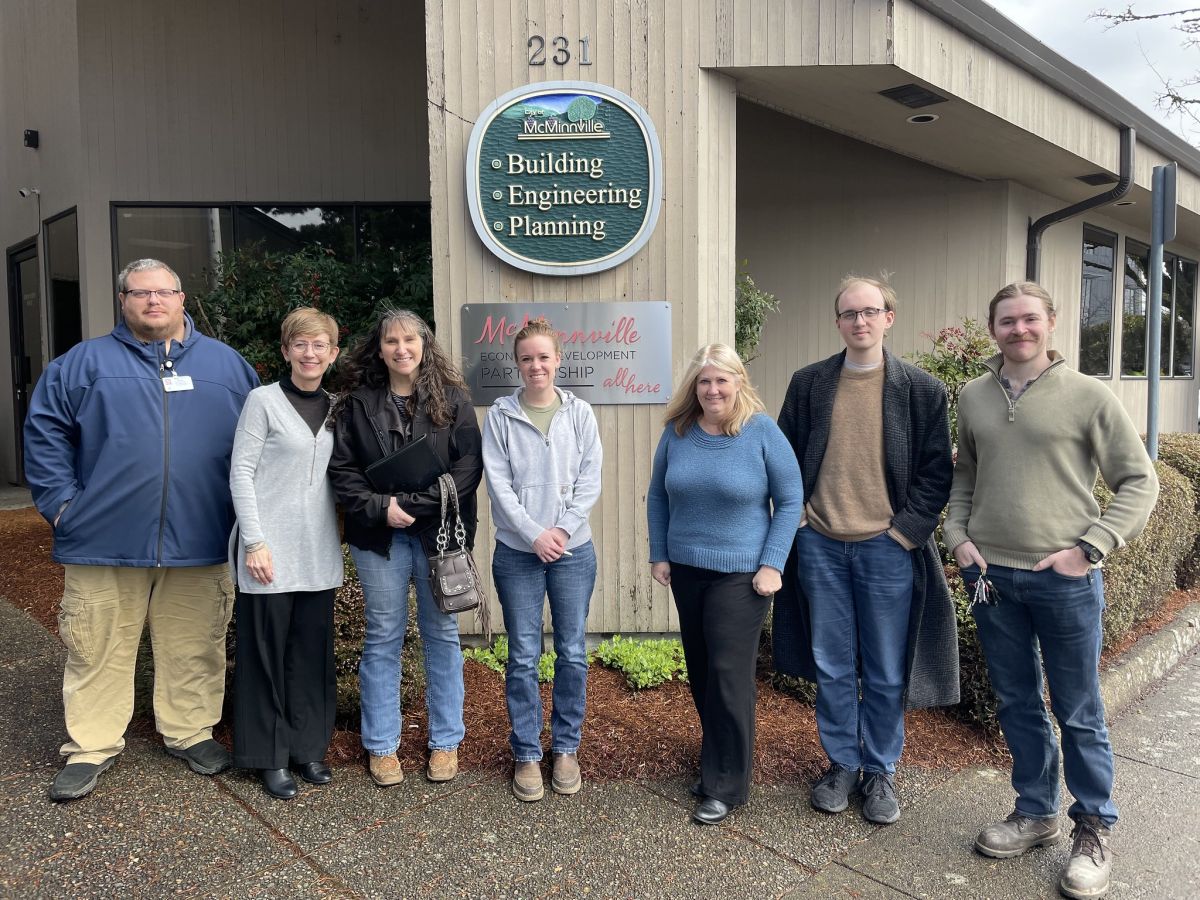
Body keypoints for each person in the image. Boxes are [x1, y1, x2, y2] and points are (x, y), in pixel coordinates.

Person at [944, 281, 1158, 900]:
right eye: (1007, 321)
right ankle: (1035, 812)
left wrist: (1090, 548)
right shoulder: (974, 396)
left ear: (1051, 324)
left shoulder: (1088, 396)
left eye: (1029, 319)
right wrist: (958, 538)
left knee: (1079, 709)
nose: (1019, 330)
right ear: (993, 330)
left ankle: (1092, 828)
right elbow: (966, 477)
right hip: (990, 578)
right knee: (1016, 702)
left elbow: (1138, 481)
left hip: (1063, 580)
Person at [23, 258, 258, 802]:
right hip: (103, 540)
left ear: (182, 298)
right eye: (140, 293)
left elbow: (259, 443)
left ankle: (190, 731)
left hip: (200, 538)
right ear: (123, 300)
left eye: (164, 292)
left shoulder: (227, 367)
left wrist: (245, 520)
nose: (153, 301)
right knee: (97, 646)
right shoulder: (81, 366)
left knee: (196, 644)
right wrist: (63, 507)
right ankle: (91, 745)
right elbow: (45, 436)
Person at [774, 274, 958, 825]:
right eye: (849, 313)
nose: (860, 321)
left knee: (883, 668)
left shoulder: (920, 389)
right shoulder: (808, 384)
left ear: (888, 317)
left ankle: (880, 770)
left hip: (888, 549)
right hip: (821, 545)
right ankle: (842, 764)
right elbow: (783, 459)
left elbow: (935, 472)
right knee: (831, 665)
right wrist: (801, 521)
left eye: (870, 311)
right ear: (837, 322)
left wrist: (904, 533)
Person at [647, 343, 802, 825]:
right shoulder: (678, 433)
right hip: (688, 570)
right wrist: (660, 552)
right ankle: (718, 761)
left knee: (729, 675)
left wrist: (773, 563)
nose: (713, 389)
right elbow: (657, 497)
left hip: (742, 573)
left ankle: (727, 785)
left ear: (738, 382)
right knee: (701, 672)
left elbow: (792, 501)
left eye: (722, 380)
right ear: (694, 387)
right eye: (704, 381)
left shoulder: (760, 432)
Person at [328, 308, 483, 787]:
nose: (401, 349)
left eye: (410, 340)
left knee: (441, 635)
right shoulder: (356, 404)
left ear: (424, 345)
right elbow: (342, 472)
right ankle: (381, 746)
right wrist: (381, 508)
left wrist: (412, 504)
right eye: (392, 341)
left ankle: (445, 742)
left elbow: (469, 466)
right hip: (380, 538)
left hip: (436, 535)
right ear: (380, 349)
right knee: (383, 637)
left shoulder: (453, 399)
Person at [482, 318, 603, 802]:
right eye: (527, 358)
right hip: (517, 554)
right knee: (523, 655)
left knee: (572, 650)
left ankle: (566, 746)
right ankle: (528, 751)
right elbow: (499, 485)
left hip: (574, 551)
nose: (536, 365)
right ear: (518, 363)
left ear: (558, 360)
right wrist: (534, 534)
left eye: (544, 357)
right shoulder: (499, 416)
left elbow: (591, 479)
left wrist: (561, 530)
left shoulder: (580, 413)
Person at [229, 308, 343, 799]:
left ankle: (306, 749)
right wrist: (254, 541)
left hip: (317, 551)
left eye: (319, 345)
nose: (310, 353)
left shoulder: (340, 407)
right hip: (268, 552)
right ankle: (269, 757)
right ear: (285, 351)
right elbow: (241, 473)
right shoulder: (263, 402)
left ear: (333, 354)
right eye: (300, 344)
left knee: (310, 656)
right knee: (265, 656)